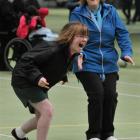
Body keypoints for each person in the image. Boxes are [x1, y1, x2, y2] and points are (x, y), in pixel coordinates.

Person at [11, 22, 89, 140]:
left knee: (42, 117)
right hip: (24, 80)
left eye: (86, 36)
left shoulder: (71, 53)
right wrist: (38, 77)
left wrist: (62, 76)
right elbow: (26, 61)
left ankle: (19, 133)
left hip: (37, 83)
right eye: (80, 36)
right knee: (47, 111)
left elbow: (56, 64)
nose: (84, 39)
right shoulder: (52, 48)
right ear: (69, 36)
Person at [69, 0, 135, 140]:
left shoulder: (111, 11)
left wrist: (126, 52)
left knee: (110, 96)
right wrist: (78, 54)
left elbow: (122, 33)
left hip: (109, 62)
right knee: (97, 94)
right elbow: (73, 39)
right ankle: (93, 135)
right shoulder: (77, 13)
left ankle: (108, 134)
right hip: (86, 61)